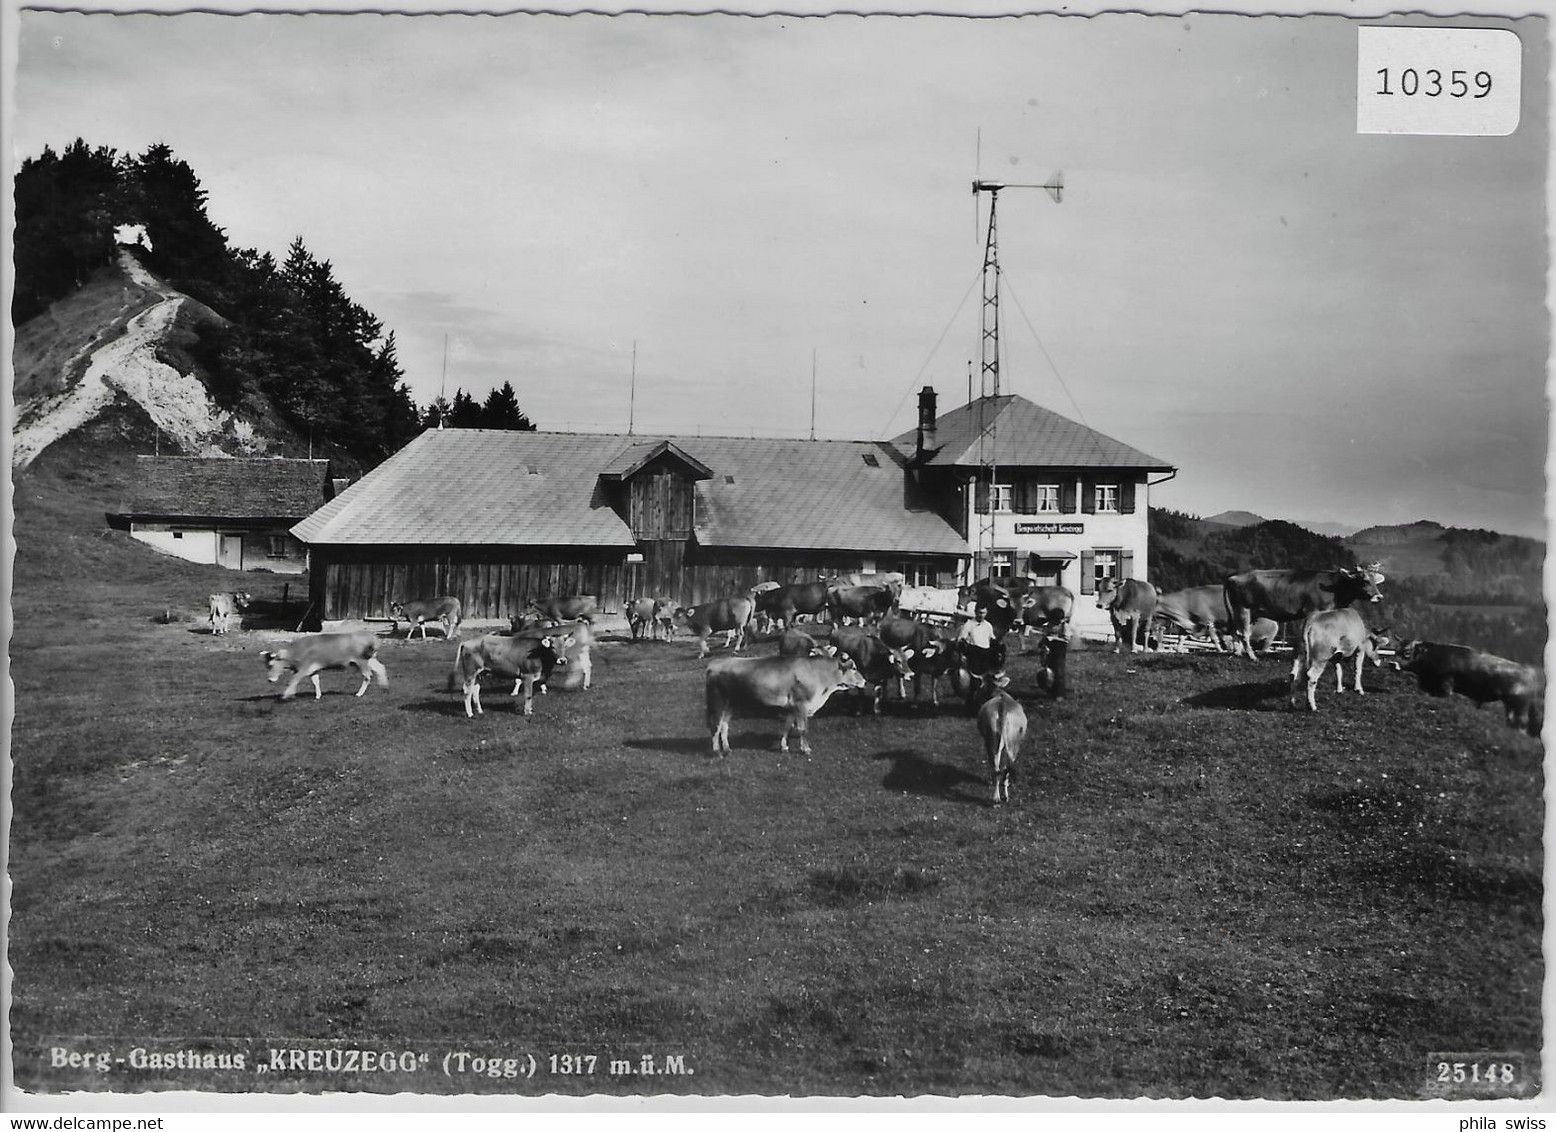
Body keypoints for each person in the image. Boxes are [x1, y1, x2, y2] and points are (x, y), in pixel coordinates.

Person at [957, 604, 1006, 682]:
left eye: (983, 613)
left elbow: (992, 638)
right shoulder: (969, 624)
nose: (981, 615)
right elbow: (961, 639)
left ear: (986, 613)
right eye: (979, 613)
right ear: (975, 612)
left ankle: (996, 676)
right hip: (974, 651)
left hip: (986, 650)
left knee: (1000, 650)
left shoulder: (988, 625)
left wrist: (999, 645)